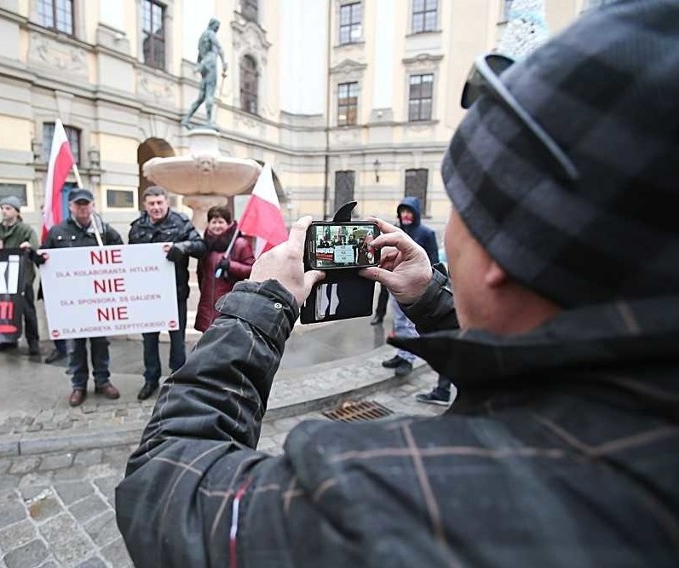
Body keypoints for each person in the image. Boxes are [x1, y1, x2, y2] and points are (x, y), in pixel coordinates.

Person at [116, 3, 679, 566]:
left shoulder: (383, 496)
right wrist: (434, 301)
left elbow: (164, 483)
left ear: (501, 259)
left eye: (463, 204)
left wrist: (261, 306)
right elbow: (542, 369)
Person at [44, 189, 123, 407]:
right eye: (78, 205)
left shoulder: (104, 231)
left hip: (99, 298)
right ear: (70, 207)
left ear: (93, 206)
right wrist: (35, 255)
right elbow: (45, 258)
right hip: (72, 301)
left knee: (100, 343)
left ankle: (102, 381)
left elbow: (123, 256)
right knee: (75, 345)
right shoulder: (57, 231)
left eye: (86, 204)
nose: (83, 208)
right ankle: (78, 385)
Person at [128, 186, 205, 400]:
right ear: (145, 205)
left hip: (174, 293)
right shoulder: (136, 228)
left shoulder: (180, 223)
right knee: (149, 340)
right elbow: (129, 258)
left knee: (177, 339)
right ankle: (150, 379)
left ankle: (178, 380)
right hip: (147, 295)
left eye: (159, 203)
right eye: (151, 203)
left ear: (166, 203)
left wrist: (183, 246)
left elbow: (200, 246)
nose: (156, 207)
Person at [381, 196, 439, 377]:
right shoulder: (397, 232)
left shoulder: (426, 233)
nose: (405, 215)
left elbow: (434, 261)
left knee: (410, 324)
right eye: (402, 211)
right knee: (398, 322)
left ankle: (408, 359)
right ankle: (401, 353)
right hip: (396, 285)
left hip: (417, 288)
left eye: (409, 211)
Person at [0, 196, 41, 356]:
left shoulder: (25, 229)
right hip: (4, 276)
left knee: (27, 311)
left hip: (23, 277)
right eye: (2, 208)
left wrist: (28, 246)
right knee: (7, 310)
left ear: (16, 211)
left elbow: (35, 246)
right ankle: (8, 339)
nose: (4, 211)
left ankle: (33, 342)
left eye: (8, 208)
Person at [194, 206, 254, 332]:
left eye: (221, 222)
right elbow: (201, 275)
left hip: (230, 306)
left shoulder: (240, 244)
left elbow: (251, 270)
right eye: (213, 222)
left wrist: (230, 266)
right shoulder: (204, 245)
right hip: (207, 308)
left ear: (228, 224)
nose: (217, 226)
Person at [181, 18, 227, 130]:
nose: (217, 29)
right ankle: (209, 121)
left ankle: (186, 118)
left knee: (201, 97)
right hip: (211, 63)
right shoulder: (211, 34)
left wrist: (199, 67)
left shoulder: (203, 37)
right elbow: (220, 48)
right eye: (217, 26)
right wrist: (224, 61)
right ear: (213, 25)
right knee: (210, 93)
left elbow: (199, 55)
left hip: (204, 65)